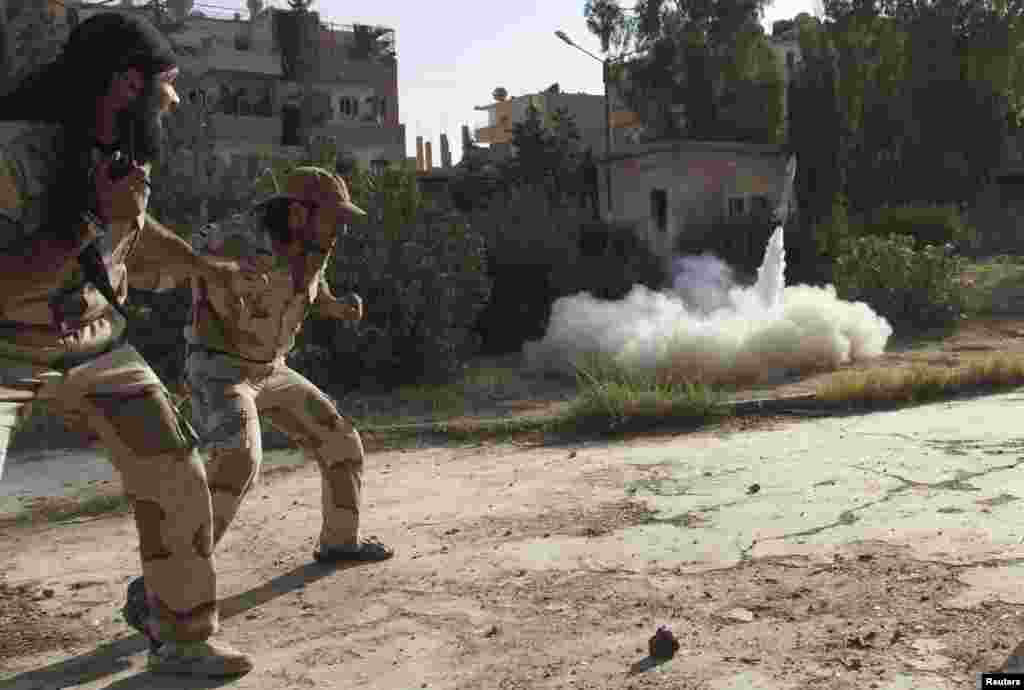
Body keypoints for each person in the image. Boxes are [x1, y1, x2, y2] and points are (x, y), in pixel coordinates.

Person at [0, 13, 256, 677]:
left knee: (177, 474)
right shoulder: (14, 153)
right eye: (166, 83)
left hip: (94, 344)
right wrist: (91, 219)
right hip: (7, 347)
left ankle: (183, 638)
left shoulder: (122, 148)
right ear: (125, 82)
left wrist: (203, 268)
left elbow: (136, 235)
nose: (174, 98)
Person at [122, 166, 394, 632]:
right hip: (219, 369)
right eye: (334, 217)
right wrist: (212, 273)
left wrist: (335, 307)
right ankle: (157, 589)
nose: (341, 228)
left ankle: (339, 542)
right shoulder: (234, 239)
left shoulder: (314, 246)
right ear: (298, 212)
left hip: (272, 369)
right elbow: (171, 260)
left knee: (341, 443)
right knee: (237, 460)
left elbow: (311, 287)